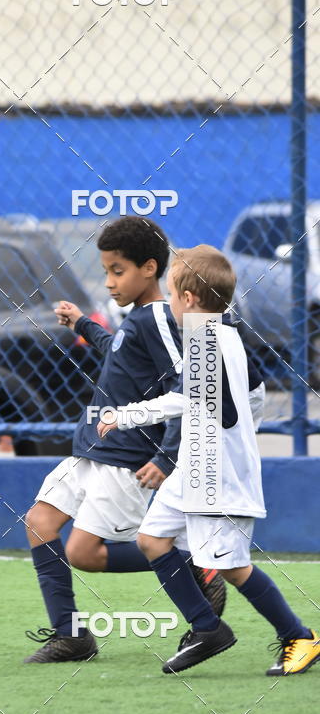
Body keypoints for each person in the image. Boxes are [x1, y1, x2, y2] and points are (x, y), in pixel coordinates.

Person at [98, 244, 320, 675]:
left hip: (217, 477)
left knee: (234, 568)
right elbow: (254, 394)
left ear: (189, 299)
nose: (167, 299)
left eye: (170, 290)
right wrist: (235, 433)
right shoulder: (228, 332)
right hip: (195, 467)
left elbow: (181, 400)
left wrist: (124, 415)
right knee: (152, 540)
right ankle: (207, 628)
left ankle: (299, 637)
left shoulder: (204, 341)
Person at [24, 218, 225, 664]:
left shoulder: (156, 316)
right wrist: (82, 324)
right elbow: (120, 352)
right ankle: (71, 636)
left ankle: (194, 567)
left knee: (84, 553)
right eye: (106, 271)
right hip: (91, 451)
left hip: (126, 457)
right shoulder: (139, 318)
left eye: (118, 271)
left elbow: (185, 386)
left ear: (149, 268)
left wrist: (167, 456)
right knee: (40, 523)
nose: (110, 281)